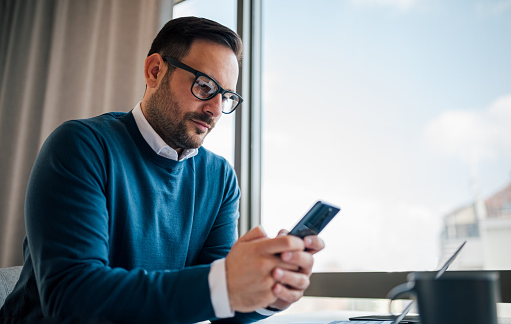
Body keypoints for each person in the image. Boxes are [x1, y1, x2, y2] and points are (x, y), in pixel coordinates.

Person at [0, 16, 324, 323]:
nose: (214, 109)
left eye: (225, 97)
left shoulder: (220, 178)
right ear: (155, 71)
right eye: (205, 86)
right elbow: (71, 297)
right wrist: (224, 283)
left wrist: (270, 293)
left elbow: (222, 303)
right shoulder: (81, 146)